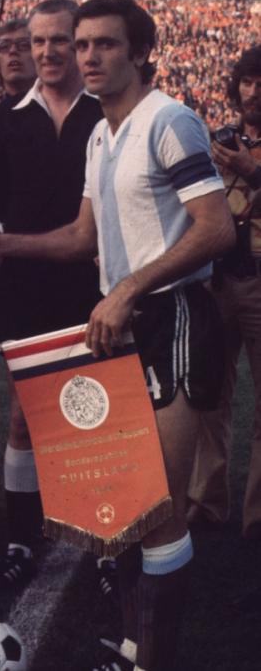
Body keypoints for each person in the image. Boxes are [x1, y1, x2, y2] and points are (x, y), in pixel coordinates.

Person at [0, 0, 235, 671]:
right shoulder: (100, 133)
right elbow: (81, 237)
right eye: (81, 44)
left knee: (158, 511)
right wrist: (4, 246)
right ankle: (137, 647)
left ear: (139, 52)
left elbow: (215, 229)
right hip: (123, 325)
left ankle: (153, 660)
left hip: (171, 318)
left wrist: (129, 287)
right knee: (130, 506)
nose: (87, 56)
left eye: (104, 45)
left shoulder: (169, 122)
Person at [0, 0, 102, 592]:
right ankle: (21, 537)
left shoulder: (106, 113)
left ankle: (104, 541)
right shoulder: (7, 118)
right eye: (39, 42)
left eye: (61, 40)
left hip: (93, 288)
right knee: (25, 420)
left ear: (78, 44)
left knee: (95, 417)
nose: (49, 52)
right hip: (23, 289)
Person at [188, 48, 261, 552]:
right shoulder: (215, 138)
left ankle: (258, 515)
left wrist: (252, 172)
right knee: (210, 394)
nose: (254, 92)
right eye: (248, 82)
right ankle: (206, 501)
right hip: (217, 281)